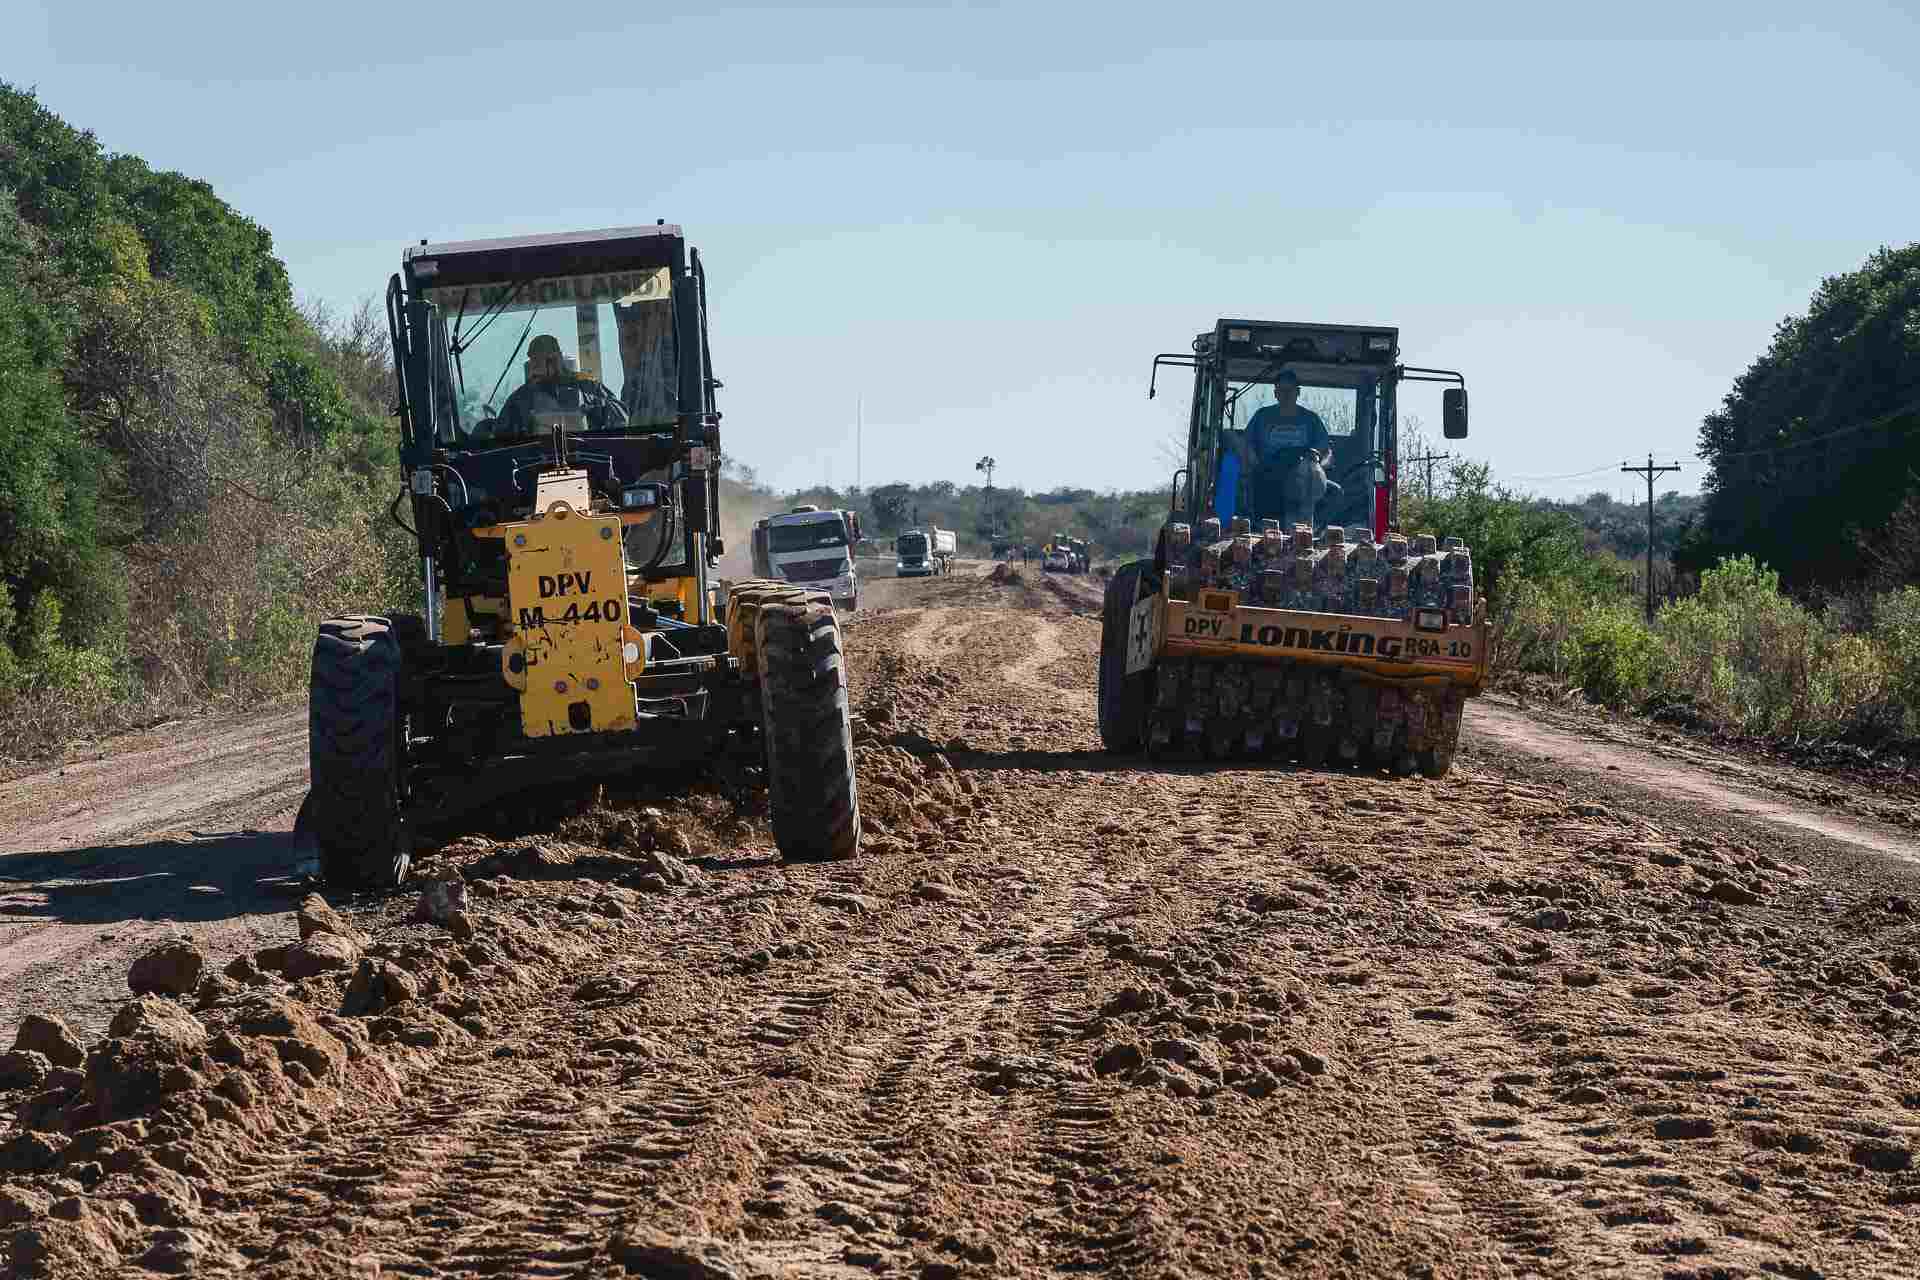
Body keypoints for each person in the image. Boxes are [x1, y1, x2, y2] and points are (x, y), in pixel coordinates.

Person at [1238, 369, 1334, 525]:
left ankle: (1314, 531)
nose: (1286, 395)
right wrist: (1252, 464)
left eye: (1290, 390)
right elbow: (1246, 444)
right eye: (1281, 391)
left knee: (1335, 493)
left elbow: (1325, 450)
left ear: (1298, 392)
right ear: (1275, 394)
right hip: (1268, 477)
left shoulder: (1311, 420)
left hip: (1303, 478)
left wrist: (1318, 466)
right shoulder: (1262, 417)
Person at [494, 334, 626, 437]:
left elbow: (621, 415)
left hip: (586, 452)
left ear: (555, 360)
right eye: (533, 362)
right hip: (536, 458)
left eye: (538, 361)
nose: (534, 368)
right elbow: (500, 432)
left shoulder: (586, 384)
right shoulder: (523, 395)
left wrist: (590, 404)